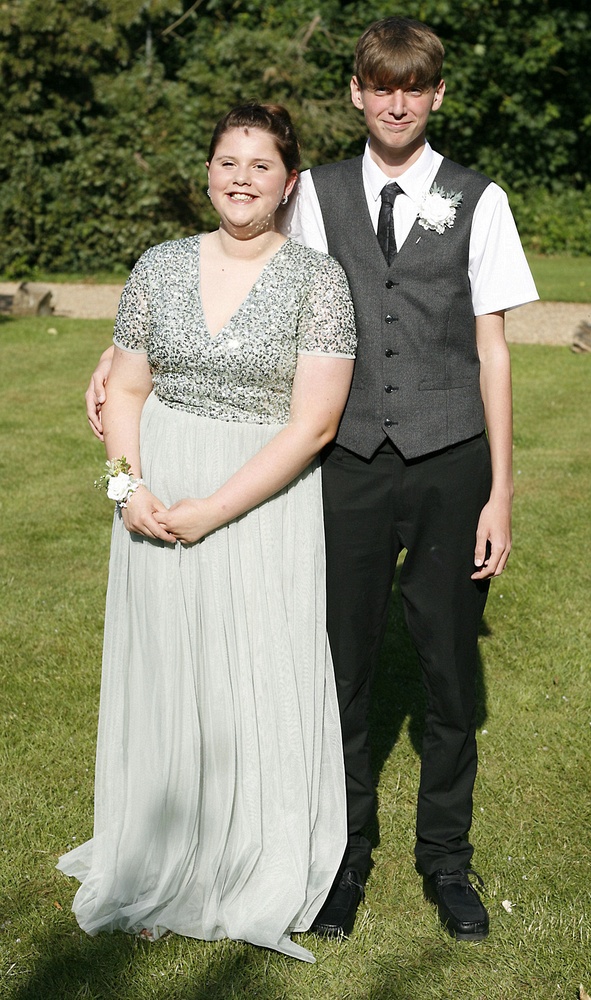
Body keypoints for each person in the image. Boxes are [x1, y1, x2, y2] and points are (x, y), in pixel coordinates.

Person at [87, 17, 539, 945]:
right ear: (357, 92)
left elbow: (492, 352)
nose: (397, 103)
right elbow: (232, 268)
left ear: (436, 94)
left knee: (449, 671)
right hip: (349, 463)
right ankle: (344, 859)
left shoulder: (479, 199)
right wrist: (117, 355)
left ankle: (445, 860)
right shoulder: (316, 192)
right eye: (381, 86)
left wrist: (499, 490)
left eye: (413, 88)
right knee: (338, 666)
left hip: (450, 456)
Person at [59, 103, 356, 964]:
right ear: (208, 172)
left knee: (251, 673)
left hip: (260, 501)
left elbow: (312, 425)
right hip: (155, 493)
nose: (241, 178)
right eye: (228, 161)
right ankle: (157, 856)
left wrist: (214, 509)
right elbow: (125, 390)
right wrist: (127, 487)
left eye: (261, 165)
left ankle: (242, 864)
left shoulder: (317, 282)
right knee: (169, 671)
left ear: (288, 182)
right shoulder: (157, 266)